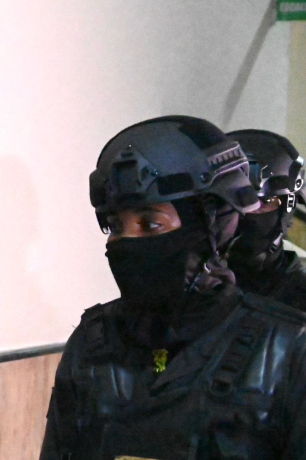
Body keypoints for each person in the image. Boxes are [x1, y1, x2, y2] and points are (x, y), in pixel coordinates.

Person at [40, 116, 306, 459]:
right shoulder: (92, 345)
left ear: (209, 226)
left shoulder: (287, 351)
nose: (129, 242)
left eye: (151, 224)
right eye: (116, 227)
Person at [226, 129, 306, 311]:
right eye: (237, 202)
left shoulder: (300, 301)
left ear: (286, 209)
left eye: (266, 201)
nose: (250, 212)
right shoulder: (185, 287)